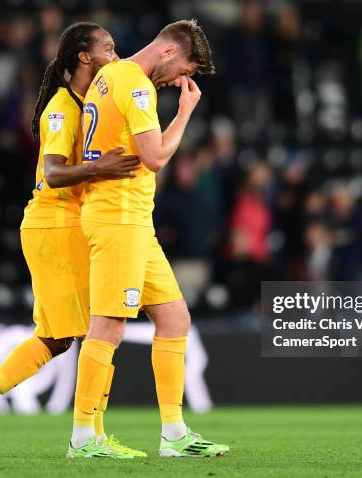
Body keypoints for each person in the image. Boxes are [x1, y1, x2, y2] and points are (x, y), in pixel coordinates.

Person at [0, 22, 142, 458]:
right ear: (84, 58)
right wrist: (100, 169)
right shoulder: (63, 107)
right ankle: (89, 437)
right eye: (108, 49)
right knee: (104, 324)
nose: (116, 55)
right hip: (55, 223)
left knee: (60, 337)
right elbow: (52, 172)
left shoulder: (89, 103)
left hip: (65, 224)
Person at [74, 19, 228, 458]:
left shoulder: (110, 75)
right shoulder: (138, 87)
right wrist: (184, 114)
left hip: (134, 220)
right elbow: (156, 157)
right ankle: (84, 436)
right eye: (186, 69)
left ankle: (174, 434)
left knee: (175, 319)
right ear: (167, 51)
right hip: (119, 217)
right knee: (108, 324)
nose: (183, 80)